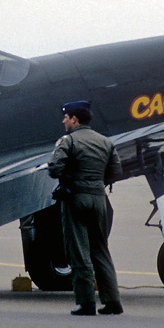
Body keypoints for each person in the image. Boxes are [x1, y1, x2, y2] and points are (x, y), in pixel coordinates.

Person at [47, 100, 124, 316]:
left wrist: (71, 178)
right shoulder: (105, 142)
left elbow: (54, 168)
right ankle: (112, 301)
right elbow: (116, 172)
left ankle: (86, 302)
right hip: (99, 199)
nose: (63, 121)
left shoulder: (68, 141)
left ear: (75, 119)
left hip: (76, 199)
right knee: (101, 250)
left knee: (79, 252)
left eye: (66, 117)